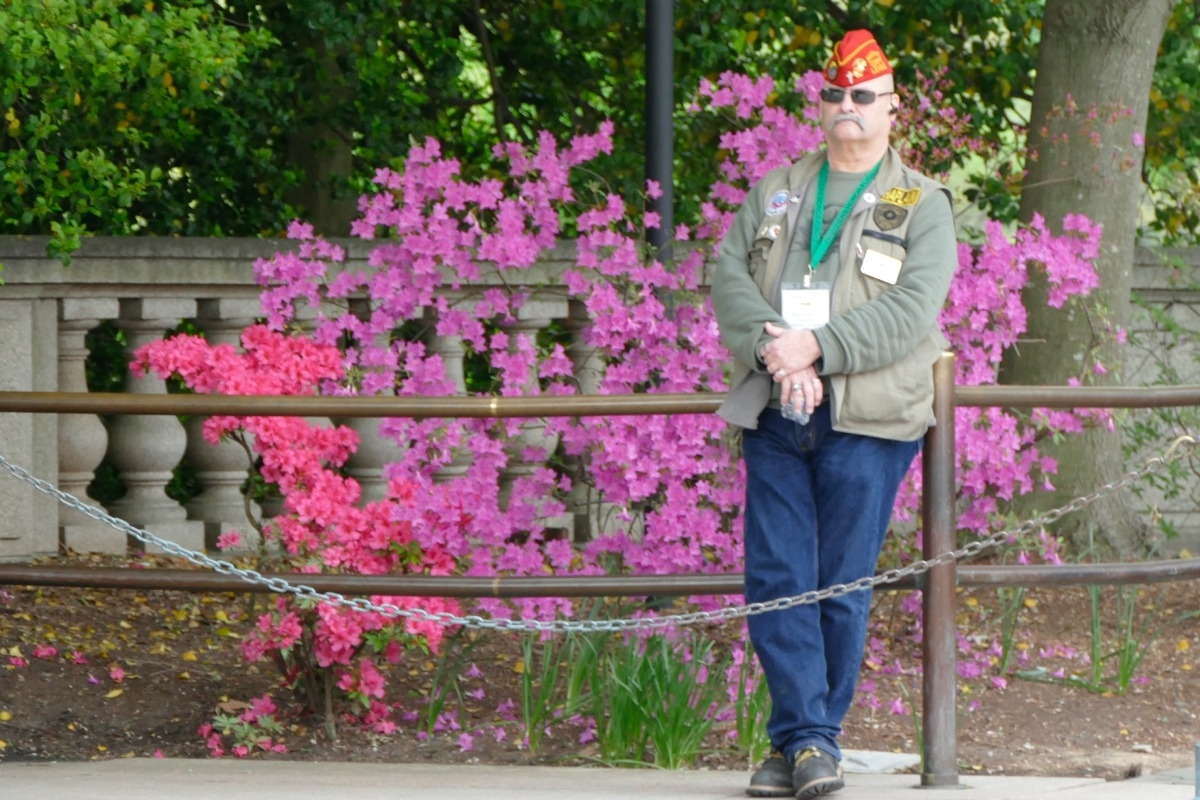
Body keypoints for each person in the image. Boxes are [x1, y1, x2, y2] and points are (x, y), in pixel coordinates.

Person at [710, 29, 958, 799]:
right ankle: (806, 742)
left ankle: (809, 740)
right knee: (778, 576)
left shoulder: (921, 201)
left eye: (863, 96)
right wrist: (776, 354)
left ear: (892, 109)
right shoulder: (778, 189)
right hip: (775, 405)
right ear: (821, 105)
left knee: (839, 580)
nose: (846, 107)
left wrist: (816, 349)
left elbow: (913, 312)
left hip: (870, 416)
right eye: (834, 94)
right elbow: (727, 278)